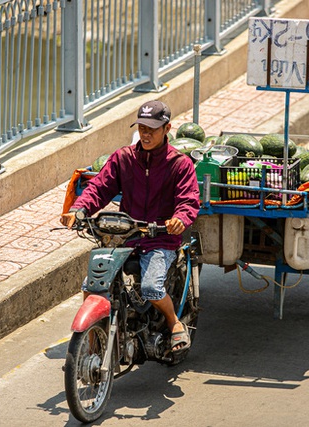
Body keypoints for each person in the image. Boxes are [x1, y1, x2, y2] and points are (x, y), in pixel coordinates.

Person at [60, 100, 200, 353]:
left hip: (161, 239)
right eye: (142, 127)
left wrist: (180, 218)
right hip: (127, 236)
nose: (146, 133)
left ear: (167, 128)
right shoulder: (123, 158)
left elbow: (188, 200)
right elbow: (99, 188)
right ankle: (92, 345)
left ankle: (174, 322)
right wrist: (78, 210)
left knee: (150, 287)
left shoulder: (180, 164)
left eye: (152, 129)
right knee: (92, 283)